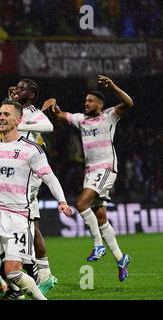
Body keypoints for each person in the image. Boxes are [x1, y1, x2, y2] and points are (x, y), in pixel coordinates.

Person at [0, 99, 73, 300]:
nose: (1, 118)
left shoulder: (31, 149)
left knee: (13, 272)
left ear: (18, 120)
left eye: (6, 115)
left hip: (18, 218)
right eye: (0, 114)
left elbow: (49, 178)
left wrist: (62, 201)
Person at [42, 75, 133, 281]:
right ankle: (120, 258)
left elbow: (129, 103)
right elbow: (59, 115)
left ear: (100, 104)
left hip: (106, 168)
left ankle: (98, 245)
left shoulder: (110, 115)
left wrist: (113, 86)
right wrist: (53, 105)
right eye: (85, 101)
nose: (86, 103)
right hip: (91, 171)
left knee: (81, 203)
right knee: (100, 217)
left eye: (90, 101)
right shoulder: (80, 119)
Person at [11, 79, 57, 296]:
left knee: (24, 220)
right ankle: (41, 274)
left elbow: (49, 126)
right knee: (30, 221)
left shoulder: (31, 111)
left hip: (28, 173)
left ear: (31, 95)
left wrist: (21, 126)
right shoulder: (15, 110)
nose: (16, 90)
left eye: (21, 88)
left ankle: (33, 274)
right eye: (15, 87)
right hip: (15, 171)